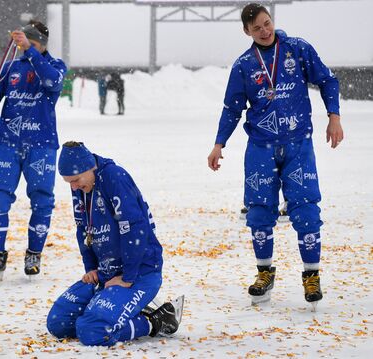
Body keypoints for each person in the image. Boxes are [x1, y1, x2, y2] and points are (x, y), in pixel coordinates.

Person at [207, 3, 344, 306]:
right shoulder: (244, 65)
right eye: (257, 28)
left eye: (267, 24)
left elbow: (327, 80)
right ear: (247, 31)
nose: (265, 31)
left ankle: (311, 276)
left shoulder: (297, 49)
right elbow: (232, 109)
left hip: (298, 146)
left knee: (306, 209)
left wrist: (334, 116)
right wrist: (219, 143)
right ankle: (264, 272)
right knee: (258, 212)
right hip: (260, 148)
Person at [46, 142, 183, 346]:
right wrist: (91, 268)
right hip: (105, 275)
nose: (73, 187)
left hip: (139, 274)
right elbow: (83, 229)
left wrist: (127, 277)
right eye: (68, 182)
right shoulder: (82, 186)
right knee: (58, 323)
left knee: (93, 332)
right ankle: (112, 309)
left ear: (89, 166)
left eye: (75, 180)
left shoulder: (114, 177)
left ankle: (157, 321)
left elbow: (134, 228)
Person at [0, 20, 67, 283]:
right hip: (8, 144)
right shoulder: (10, 67)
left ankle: (34, 254)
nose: (22, 46)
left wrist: (30, 51)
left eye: (29, 42)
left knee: (41, 200)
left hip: (42, 145)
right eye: (21, 42)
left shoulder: (55, 66)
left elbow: (52, 82)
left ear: (40, 43)